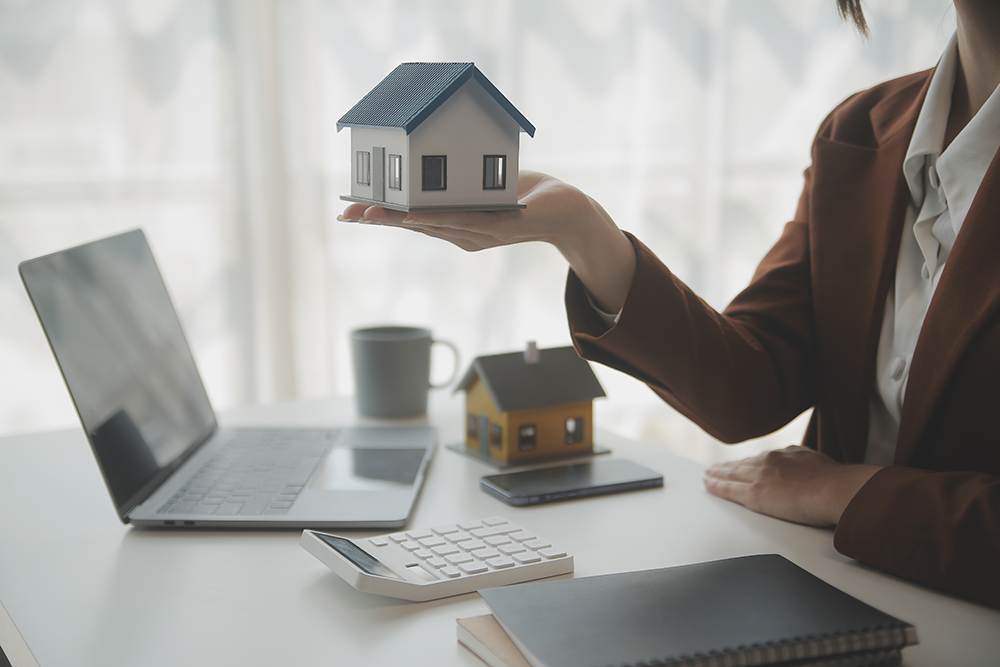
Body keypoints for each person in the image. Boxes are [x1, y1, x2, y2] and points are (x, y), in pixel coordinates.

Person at [340, 0, 1000, 607]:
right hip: (833, 587)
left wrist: (843, 490)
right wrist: (583, 231)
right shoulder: (861, 130)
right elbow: (755, 381)